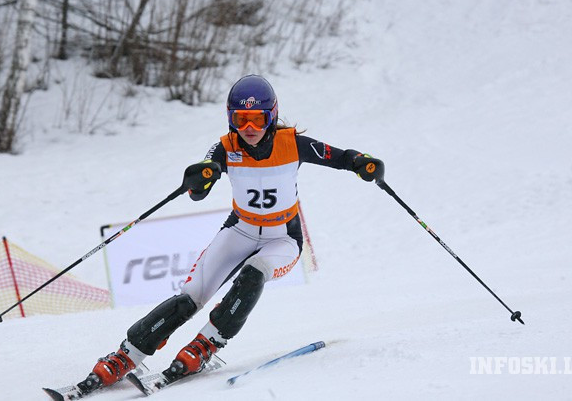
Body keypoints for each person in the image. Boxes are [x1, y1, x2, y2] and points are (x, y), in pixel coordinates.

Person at [80, 74, 384, 391]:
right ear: (230, 118)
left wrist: (363, 163)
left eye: (258, 119)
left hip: (282, 239)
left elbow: (342, 157)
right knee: (191, 297)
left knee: (254, 274)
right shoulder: (227, 147)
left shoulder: (292, 144)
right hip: (240, 230)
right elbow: (205, 178)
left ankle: (205, 346)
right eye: (241, 120)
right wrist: (200, 180)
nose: (249, 128)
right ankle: (126, 356)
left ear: (272, 116)